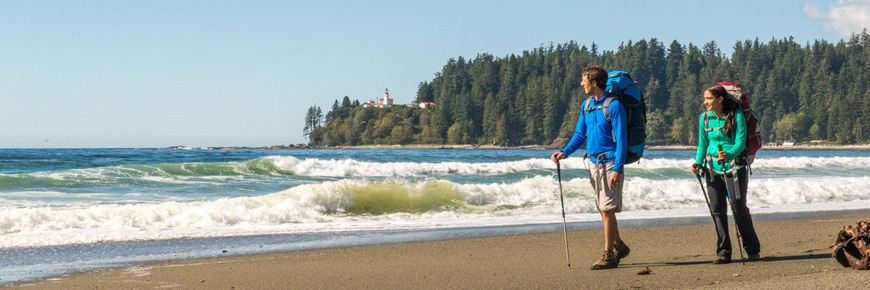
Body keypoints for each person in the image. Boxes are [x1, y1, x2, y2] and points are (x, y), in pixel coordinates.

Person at [551, 66, 630, 270]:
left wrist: (618, 169)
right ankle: (619, 245)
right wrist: (565, 152)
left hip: (610, 162)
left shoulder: (614, 106)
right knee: (603, 209)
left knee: (607, 208)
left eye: (583, 79)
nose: (581, 83)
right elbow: (580, 134)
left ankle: (608, 254)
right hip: (593, 163)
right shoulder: (586, 106)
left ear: (594, 82)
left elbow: (622, 140)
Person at [690, 85, 761, 264]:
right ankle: (723, 252)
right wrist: (698, 163)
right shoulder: (704, 119)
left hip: (735, 167)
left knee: (738, 207)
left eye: (708, 99)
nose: (705, 102)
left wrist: (728, 154)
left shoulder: (736, 116)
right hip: (712, 169)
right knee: (717, 210)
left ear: (720, 99)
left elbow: (740, 142)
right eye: (705, 99)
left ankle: (752, 249)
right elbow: (703, 143)